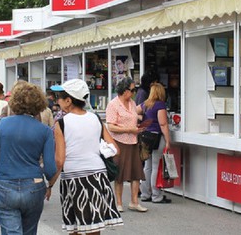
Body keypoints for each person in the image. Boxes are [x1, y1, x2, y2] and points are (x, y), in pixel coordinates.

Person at [0, 82, 58, 235]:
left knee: (11, 231)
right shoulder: (45, 131)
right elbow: (50, 168)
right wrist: (48, 183)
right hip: (34, 185)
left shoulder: (2, 124)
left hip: (5, 183)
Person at [51, 79, 123, 234]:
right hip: (98, 175)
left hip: (73, 177)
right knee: (94, 227)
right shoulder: (95, 118)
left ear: (68, 100)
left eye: (59, 97)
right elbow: (115, 150)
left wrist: (50, 184)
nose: (57, 100)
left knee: (74, 227)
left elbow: (59, 160)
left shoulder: (61, 123)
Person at [106, 77, 148, 212]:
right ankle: (118, 202)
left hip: (133, 141)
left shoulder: (132, 103)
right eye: (132, 90)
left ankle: (134, 202)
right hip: (119, 142)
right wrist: (129, 129)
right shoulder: (113, 104)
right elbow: (111, 126)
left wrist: (140, 126)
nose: (134, 92)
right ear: (124, 91)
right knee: (120, 174)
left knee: (136, 172)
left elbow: (134, 119)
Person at [137, 83, 172, 203]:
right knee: (156, 167)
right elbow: (163, 124)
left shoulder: (145, 104)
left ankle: (145, 194)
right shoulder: (160, 105)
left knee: (147, 167)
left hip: (145, 137)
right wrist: (168, 141)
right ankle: (156, 195)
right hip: (156, 137)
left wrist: (144, 120)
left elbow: (134, 111)